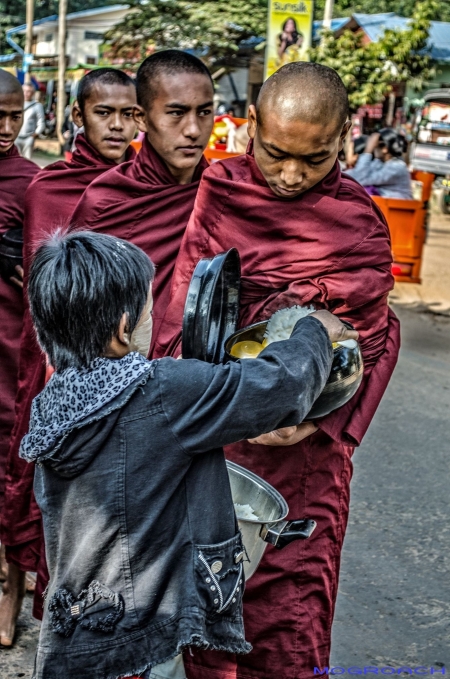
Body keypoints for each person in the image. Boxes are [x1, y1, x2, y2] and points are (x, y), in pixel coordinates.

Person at [155, 62, 401, 678]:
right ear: (251, 129)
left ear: (344, 135)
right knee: (212, 600)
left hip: (305, 457)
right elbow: (185, 309)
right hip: (221, 438)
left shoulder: (357, 220)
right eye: (275, 153)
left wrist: (314, 426)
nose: (291, 176)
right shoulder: (222, 189)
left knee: (290, 617)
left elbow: (370, 338)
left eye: (314, 159)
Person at [24, 230, 356, 679]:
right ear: (124, 329)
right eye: (147, 308)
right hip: (143, 625)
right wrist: (313, 329)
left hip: (81, 622)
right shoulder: (160, 391)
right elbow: (281, 387)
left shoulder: (53, 405)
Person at [0, 67, 137, 645]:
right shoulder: (48, 187)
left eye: (128, 113)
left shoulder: (144, 186)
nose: (119, 125)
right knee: (18, 474)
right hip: (31, 352)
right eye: (104, 112)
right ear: (78, 116)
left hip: (93, 360)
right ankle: (12, 594)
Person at [71, 50, 214, 350]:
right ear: (142, 117)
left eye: (204, 112)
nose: (193, 130)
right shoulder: (107, 200)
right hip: (120, 375)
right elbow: (75, 310)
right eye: (176, 112)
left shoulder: (223, 193)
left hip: (202, 375)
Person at [0, 69, 39, 644]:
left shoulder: (31, 182)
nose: (6, 129)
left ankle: (11, 592)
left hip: (11, 349)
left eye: (14, 116)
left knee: (12, 470)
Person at [346, 128, 413, 199]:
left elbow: (359, 180)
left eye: (374, 146)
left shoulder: (397, 167)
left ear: (385, 149)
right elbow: (354, 175)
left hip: (397, 208)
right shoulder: (379, 162)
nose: (373, 149)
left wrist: (367, 151)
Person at [15, 83, 45, 160]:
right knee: (14, 159)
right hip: (16, 137)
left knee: (27, 161)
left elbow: (41, 122)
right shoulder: (15, 103)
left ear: (33, 93)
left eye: (28, 91)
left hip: (29, 137)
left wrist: (36, 134)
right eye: (24, 91)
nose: (26, 93)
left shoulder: (37, 106)